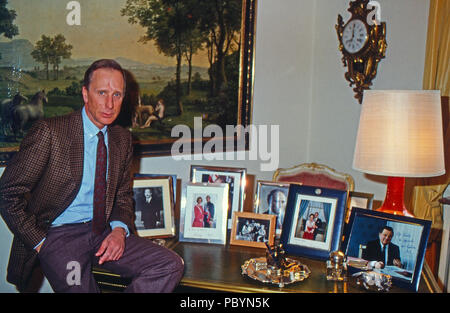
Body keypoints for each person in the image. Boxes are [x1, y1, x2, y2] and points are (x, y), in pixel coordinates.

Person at [0, 59, 184, 293]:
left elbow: (123, 195)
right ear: (85, 94)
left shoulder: (122, 139)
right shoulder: (50, 132)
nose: (110, 104)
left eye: (117, 95)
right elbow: (7, 193)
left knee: (169, 264)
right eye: (102, 93)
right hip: (59, 236)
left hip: (104, 232)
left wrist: (119, 230)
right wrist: (40, 242)